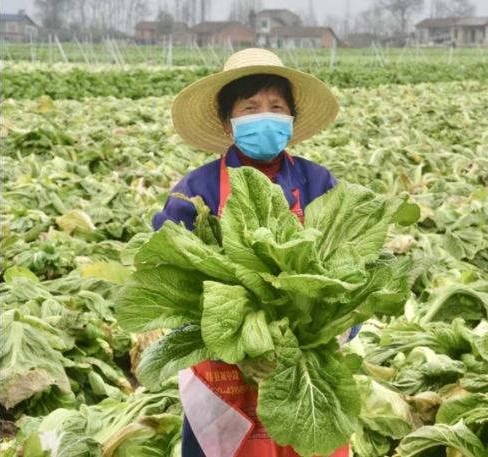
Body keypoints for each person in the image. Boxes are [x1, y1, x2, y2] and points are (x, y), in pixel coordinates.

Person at [152, 49, 360, 457]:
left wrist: (340, 326)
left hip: (306, 367)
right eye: (250, 106)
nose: (265, 115)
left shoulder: (318, 181)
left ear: (292, 118)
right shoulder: (198, 189)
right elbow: (168, 274)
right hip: (223, 371)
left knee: (310, 441)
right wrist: (232, 347)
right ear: (228, 120)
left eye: (276, 106)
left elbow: (356, 267)